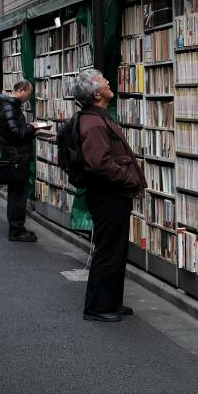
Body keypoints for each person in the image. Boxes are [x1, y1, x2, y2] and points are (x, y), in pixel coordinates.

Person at [72, 69, 146, 322]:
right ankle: (97, 307)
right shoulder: (93, 123)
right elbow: (99, 164)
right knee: (107, 250)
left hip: (111, 193)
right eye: (103, 81)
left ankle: (111, 301)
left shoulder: (97, 118)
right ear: (96, 94)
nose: (108, 83)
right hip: (107, 195)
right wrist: (129, 179)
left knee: (115, 250)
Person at [0, 80, 48, 241]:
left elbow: (15, 130)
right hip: (16, 158)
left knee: (18, 195)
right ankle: (16, 230)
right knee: (17, 195)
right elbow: (15, 133)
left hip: (17, 157)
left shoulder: (10, 107)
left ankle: (18, 227)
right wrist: (32, 128)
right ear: (21, 90)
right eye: (28, 94)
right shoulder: (9, 108)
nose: (28, 98)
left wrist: (30, 128)